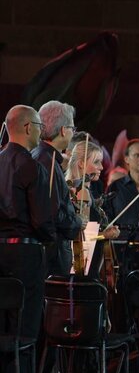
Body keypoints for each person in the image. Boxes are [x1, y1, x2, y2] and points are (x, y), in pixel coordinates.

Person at [0, 105, 55, 373]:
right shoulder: (32, 167)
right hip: (25, 254)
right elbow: (42, 221)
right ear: (26, 127)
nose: (40, 131)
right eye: (38, 125)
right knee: (25, 332)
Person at [31, 101, 82, 277]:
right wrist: (76, 222)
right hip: (52, 254)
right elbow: (52, 213)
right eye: (72, 129)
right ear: (63, 130)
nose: (73, 133)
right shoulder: (47, 160)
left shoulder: (40, 155)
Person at [106, 138, 139, 280]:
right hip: (122, 250)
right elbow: (107, 217)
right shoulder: (116, 187)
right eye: (137, 155)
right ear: (126, 159)